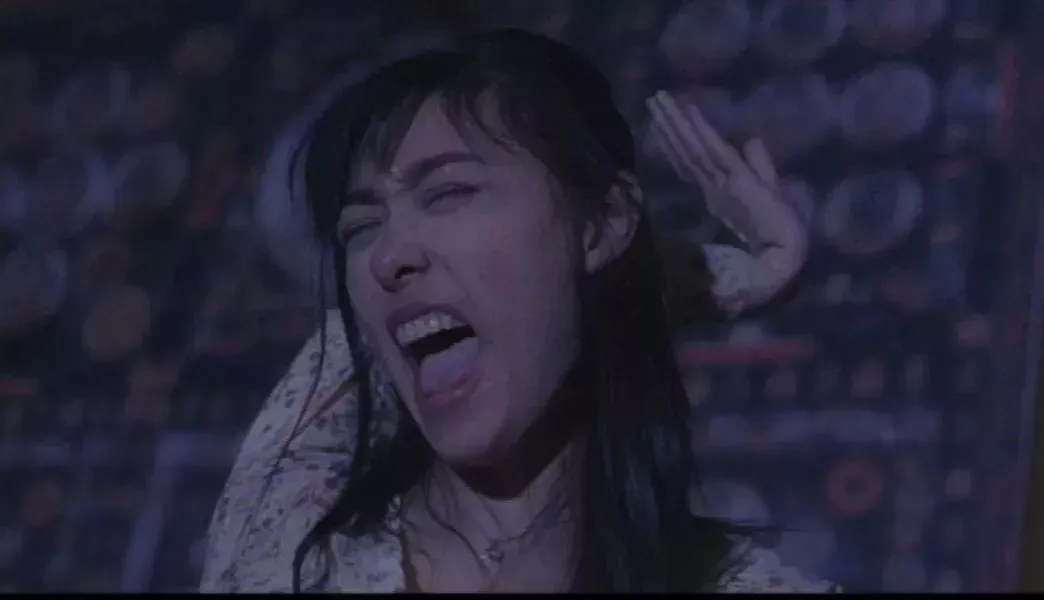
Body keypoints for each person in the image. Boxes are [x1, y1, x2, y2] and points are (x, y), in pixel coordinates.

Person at [200, 29, 834, 593]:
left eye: (448, 192)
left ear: (604, 222)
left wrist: (733, 274)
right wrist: (743, 277)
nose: (387, 255)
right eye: (360, 226)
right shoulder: (289, 550)